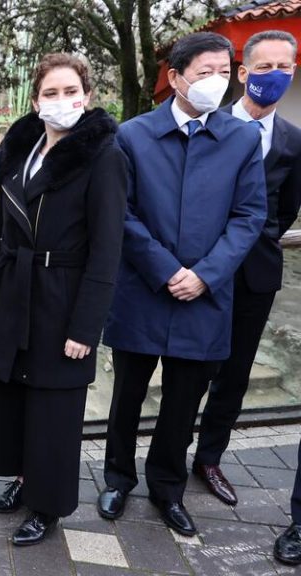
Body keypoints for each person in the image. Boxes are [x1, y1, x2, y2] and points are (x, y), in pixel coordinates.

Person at [98, 32, 267, 537]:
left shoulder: (240, 139)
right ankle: (117, 477)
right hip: (142, 290)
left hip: (206, 296)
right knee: (127, 392)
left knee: (183, 400)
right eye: (204, 72)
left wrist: (206, 274)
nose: (216, 82)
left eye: (224, 72)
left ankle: (167, 487)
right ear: (174, 77)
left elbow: (249, 215)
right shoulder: (132, 135)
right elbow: (119, 213)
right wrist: (165, 269)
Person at [0, 53, 127, 546]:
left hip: (63, 297)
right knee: (16, 395)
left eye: (70, 92)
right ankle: (22, 482)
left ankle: (48, 505)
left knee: (54, 409)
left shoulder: (103, 156)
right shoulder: (22, 149)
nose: (61, 102)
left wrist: (86, 327)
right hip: (15, 292)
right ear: (36, 101)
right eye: (50, 93)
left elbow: (107, 250)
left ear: (86, 96)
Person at [193, 31, 301, 510]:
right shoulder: (206, 124)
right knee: (190, 368)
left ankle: (210, 457)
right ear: (242, 72)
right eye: (263, 67)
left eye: (285, 66)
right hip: (200, 270)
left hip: (256, 274)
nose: (274, 75)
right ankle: (169, 457)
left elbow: (287, 208)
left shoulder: (294, 140)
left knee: (234, 374)